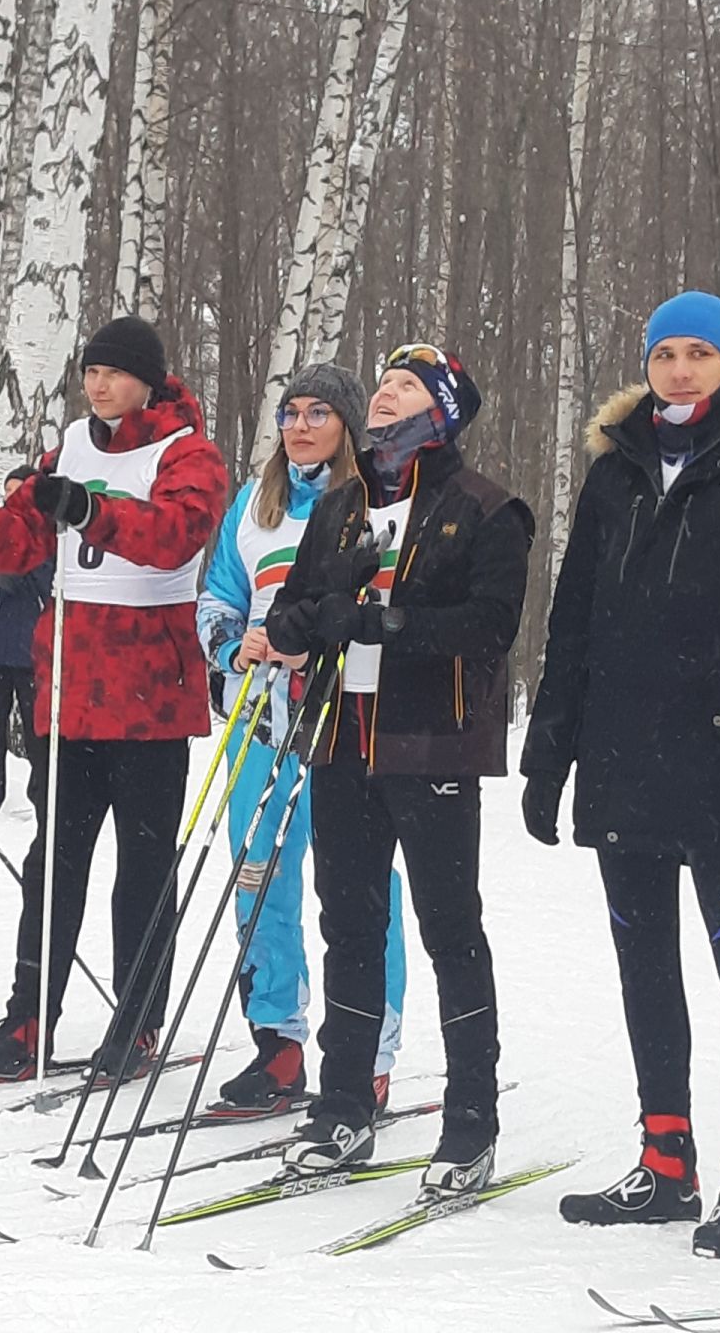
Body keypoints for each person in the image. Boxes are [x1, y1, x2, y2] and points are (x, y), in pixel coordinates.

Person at [521, 290, 720, 1257]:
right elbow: (573, 617)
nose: (680, 370)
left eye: (701, 353)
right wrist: (548, 755)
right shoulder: (616, 470)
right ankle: (666, 1160)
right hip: (623, 758)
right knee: (643, 964)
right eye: (666, 353)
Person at [0, 314, 228, 1077]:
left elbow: (175, 534)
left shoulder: (188, 452)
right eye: (90, 372)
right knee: (54, 865)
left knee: (143, 870)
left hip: (150, 693)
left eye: (114, 373)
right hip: (71, 691)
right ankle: (30, 1018)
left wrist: (89, 510)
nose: (98, 386)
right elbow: (18, 544)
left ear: (147, 380)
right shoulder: (73, 445)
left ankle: (138, 1018)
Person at [265, 342, 532, 1197]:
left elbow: (490, 628)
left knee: (450, 928)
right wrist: (322, 615)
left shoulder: (487, 508)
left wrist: (389, 623)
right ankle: (342, 1106)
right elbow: (291, 609)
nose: (383, 398)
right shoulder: (341, 505)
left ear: (442, 411)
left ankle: (470, 1120)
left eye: (405, 387)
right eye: (380, 386)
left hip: (434, 746)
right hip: (343, 741)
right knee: (348, 922)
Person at [195, 361, 408, 1113]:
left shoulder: (375, 503)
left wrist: (317, 644)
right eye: (290, 412)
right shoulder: (256, 505)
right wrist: (234, 647)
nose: (301, 426)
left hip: (342, 720)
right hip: (262, 720)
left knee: (360, 890)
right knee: (259, 879)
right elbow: (218, 597)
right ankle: (277, 1044)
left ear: (349, 426)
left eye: (320, 413)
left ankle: (368, 1053)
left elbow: (383, 610)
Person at [0, 464, 49, 812]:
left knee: (37, 728)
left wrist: (20, 568)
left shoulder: (47, 532)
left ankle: (42, 787)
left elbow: (48, 582)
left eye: (19, 491)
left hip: (33, 649)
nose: (12, 499)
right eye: (8, 492)